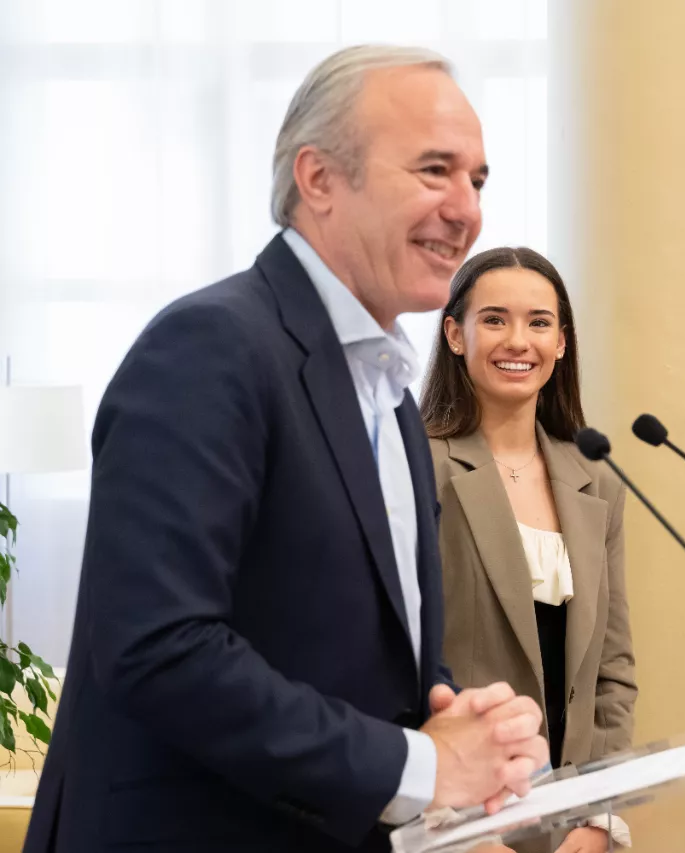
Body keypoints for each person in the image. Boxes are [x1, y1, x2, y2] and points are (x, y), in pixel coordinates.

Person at [24, 45, 548, 853]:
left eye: (477, 180)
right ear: (319, 179)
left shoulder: (392, 391)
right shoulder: (210, 347)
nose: (466, 210)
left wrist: (453, 715)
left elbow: (353, 647)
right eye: (435, 169)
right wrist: (420, 764)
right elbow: (159, 646)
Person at [420, 247, 637, 853]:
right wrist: (454, 827)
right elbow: (396, 666)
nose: (518, 341)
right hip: (458, 824)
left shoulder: (597, 478)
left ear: (562, 343)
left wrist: (600, 820)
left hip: (570, 825)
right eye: (494, 319)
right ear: (455, 335)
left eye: (539, 322)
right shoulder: (418, 466)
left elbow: (612, 674)